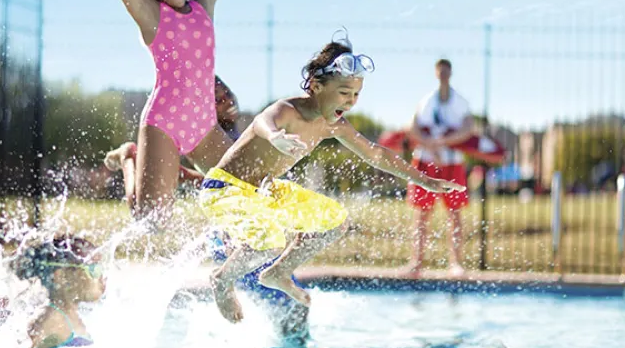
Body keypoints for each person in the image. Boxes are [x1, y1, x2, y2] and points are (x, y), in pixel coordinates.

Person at [199, 39, 465, 322]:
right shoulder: (288, 109)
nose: (350, 101)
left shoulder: (333, 125)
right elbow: (265, 124)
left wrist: (424, 180)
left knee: (334, 221)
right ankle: (222, 280)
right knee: (269, 242)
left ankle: (278, 272)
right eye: (343, 93)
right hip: (225, 188)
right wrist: (276, 136)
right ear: (316, 86)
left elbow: (376, 154)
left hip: (264, 191)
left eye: (355, 94)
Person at [62, 0, 247, 219]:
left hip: (205, 125)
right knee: (150, 219)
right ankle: (132, 156)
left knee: (244, 191)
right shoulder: (150, 16)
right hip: (165, 122)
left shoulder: (203, 6)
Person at [104, 76, 241, 211]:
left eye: (227, 94)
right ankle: (127, 156)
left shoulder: (230, 128)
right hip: (212, 179)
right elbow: (178, 168)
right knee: (145, 213)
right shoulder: (199, 132)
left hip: (219, 182)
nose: (227, 101)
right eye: (218, 99)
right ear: (205, 106)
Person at [0, 233, 106, 348]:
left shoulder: (74, 319)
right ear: (61, 276)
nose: (103, 277)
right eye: (94, 269)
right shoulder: (51, 318)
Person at [402, 59, 474, 277]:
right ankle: (417, 262)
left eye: (446, 70)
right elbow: (412, 127)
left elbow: (469, 128)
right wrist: (430, 145)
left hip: (452, 162)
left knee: (454, 214)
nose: (443, 74)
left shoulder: (460, 102)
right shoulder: (426, 101)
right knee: (421, 214)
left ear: (450, 72)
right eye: (440, 70)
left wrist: (443, 142)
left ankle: (455, 263)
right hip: (426, 162)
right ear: (436, 73)